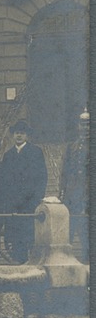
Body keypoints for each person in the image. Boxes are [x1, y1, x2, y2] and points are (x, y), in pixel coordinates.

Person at [1, 120, 48, 264]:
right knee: (15, 231)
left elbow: (42, 176)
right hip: (14, 202)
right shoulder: (8, 155)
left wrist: (37, 196)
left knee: (29, 231)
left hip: (30, 201)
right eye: (16, 133)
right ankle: (18, 259)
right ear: (13, 135)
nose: (19, 136)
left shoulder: (35, 152)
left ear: (26, 135)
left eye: (22, 133)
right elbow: (4, 179)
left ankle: (32, 260)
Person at [60, 109, 89, 258]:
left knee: (86, 232)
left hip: (88, 195)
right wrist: (63, 192)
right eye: (82, 125)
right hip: (72, 194)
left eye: (88, 125)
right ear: (78, 126)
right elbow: (65, 171)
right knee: (69, 229)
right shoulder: (72, 146)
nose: (85, 128)